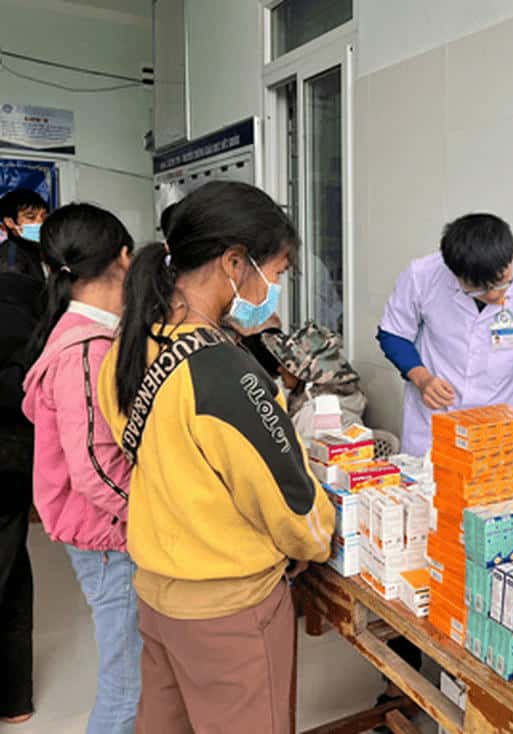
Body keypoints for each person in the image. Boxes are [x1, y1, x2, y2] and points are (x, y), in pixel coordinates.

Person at [97, 181, 335, 734]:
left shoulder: (135, 344)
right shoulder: (225, 372)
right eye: (275, 272)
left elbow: (151, 456)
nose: (274, 287)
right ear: (234, 261)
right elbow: (289, 498)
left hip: (159, 593)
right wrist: (314, 540)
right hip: (230, 611)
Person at [21, 204, 139, 733]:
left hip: (103, 532)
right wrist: (157, 511)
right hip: (107, 538)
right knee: (126, 685)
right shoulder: (84, 352)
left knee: (133, 673)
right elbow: (95, 467)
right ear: (122, 257)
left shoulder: (89, 336)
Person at [378, 213, 513, 491]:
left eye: (504, 283)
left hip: (499, 434)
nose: (497, 296)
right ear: (455, 275)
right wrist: (421, 378)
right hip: (433, 428)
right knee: (429, 518)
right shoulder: (422, 275)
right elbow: (393, 332)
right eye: (481, 290)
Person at [0, 188, 49, 724]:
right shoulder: (15, 276)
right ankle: (14, 697)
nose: (38, 224)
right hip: (12, 441)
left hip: (13, 447)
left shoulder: (29, 269)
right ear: (10, 223)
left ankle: (15, 696)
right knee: (12, 570)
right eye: (30, 218)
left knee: (13, 570)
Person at [262, 320, 367, 439]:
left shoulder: (315, 413)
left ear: (306, 375)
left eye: (287, 366)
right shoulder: (312, 399)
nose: (280, 369)